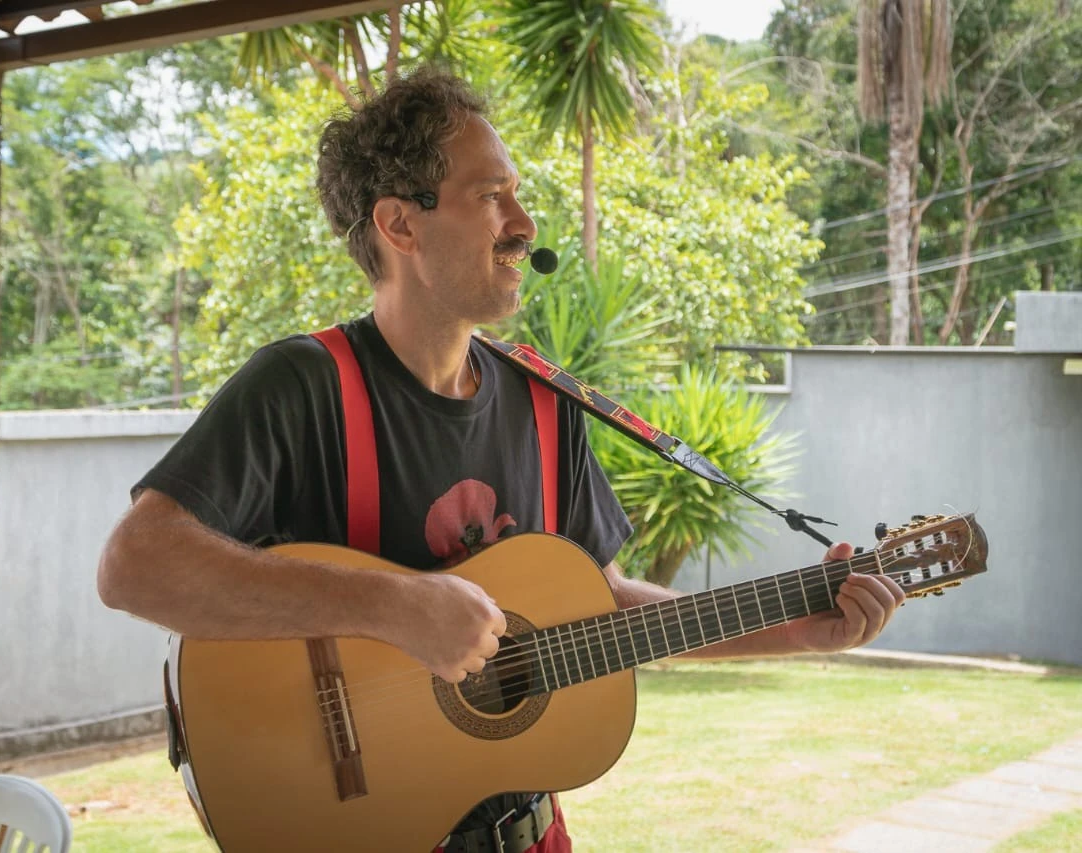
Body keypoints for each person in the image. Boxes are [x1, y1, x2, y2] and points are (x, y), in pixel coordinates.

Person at [96, 66, 905, 853]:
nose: (523, 224)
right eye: (491, 197)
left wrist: (791, 630)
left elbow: (601, 603)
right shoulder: (302, 386)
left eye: (515, 194)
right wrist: (395, 606)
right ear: (400, 225)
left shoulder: (548, 403)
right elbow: (135, 565)